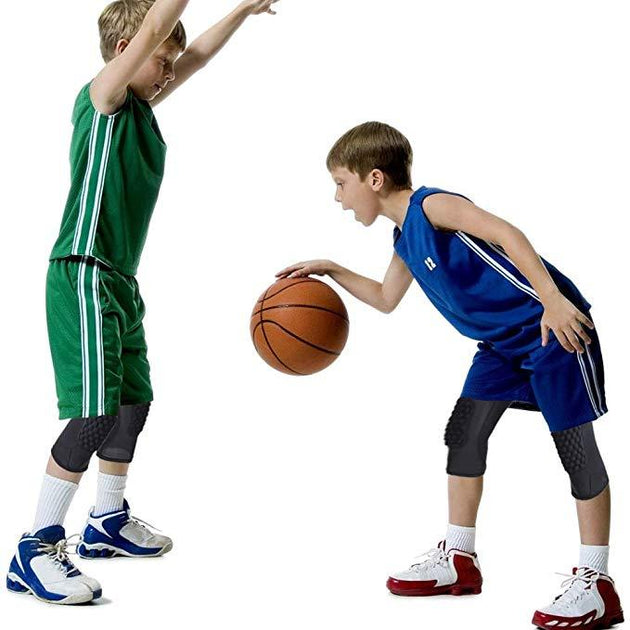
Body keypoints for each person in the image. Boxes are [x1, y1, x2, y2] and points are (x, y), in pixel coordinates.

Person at [277, 121, 624, 630]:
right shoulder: (404, 238)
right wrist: (330, 269)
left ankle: (598, 583)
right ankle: (459, 560)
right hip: (501, 348)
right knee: (463, 435)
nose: (338, 197)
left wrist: (553, 301)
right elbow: (384, 299)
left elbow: (507, 233)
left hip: (551, 330)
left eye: (341, 183)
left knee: (576, 453)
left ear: (374, 179)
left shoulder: (432, 206)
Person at [6, 0, 279, 605]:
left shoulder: (140, 109)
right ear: (128, 48)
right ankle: (35, 545)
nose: (168, 69)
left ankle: (106, 521)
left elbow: (197, 55)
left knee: (133, 403)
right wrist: (160, 30)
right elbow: (155, 25)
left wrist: (241, 10)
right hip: (83, 272)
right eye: (161, 58)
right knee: (95, 413)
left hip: (120, 280)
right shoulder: (102, 97)